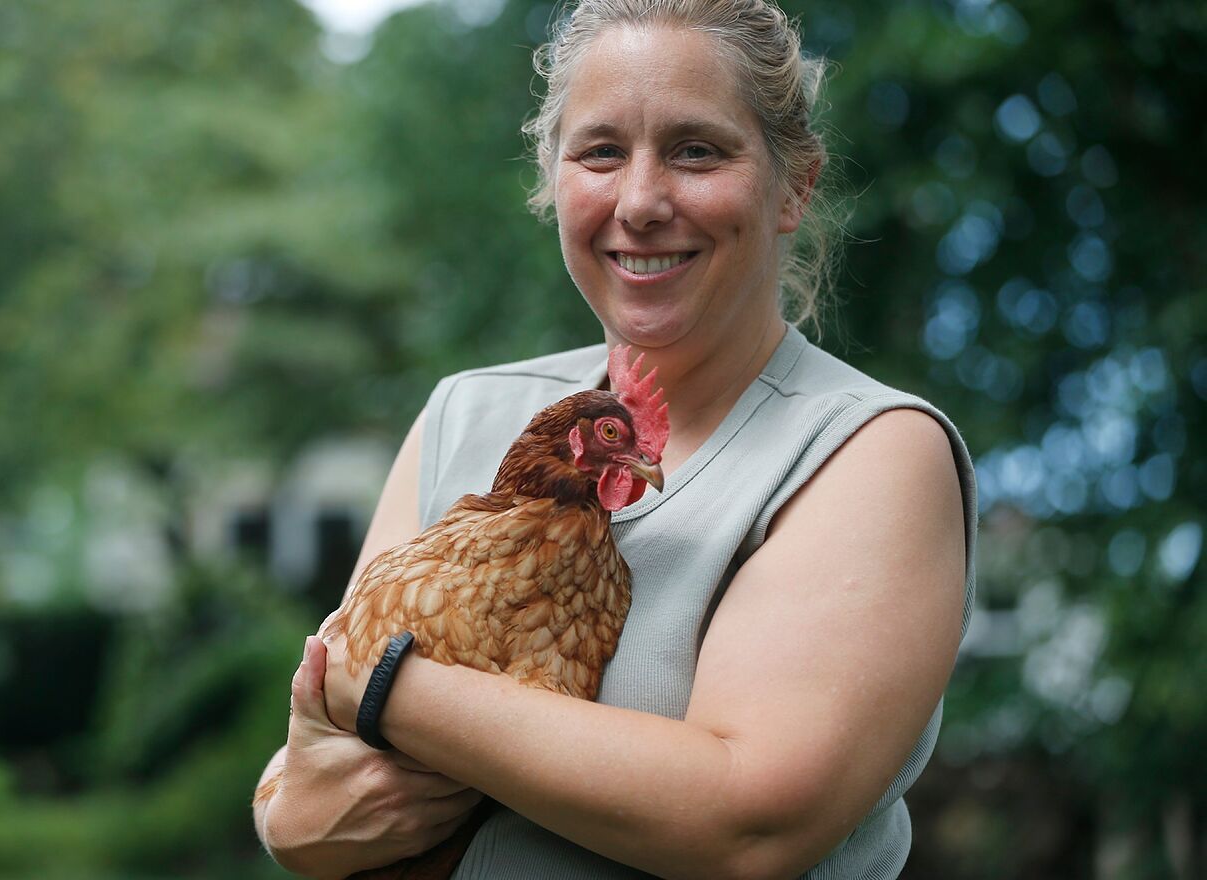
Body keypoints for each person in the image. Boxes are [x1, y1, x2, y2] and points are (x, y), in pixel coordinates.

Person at [254, 1, 977, 877]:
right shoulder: (464, 415)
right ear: (553, 179)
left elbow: (746, 823)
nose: (640, 202)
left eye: (696, 151)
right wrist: (290, 818)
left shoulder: (866, 454)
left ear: (795, 187)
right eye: (600, 152)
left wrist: (385, 685)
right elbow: (302, 789)